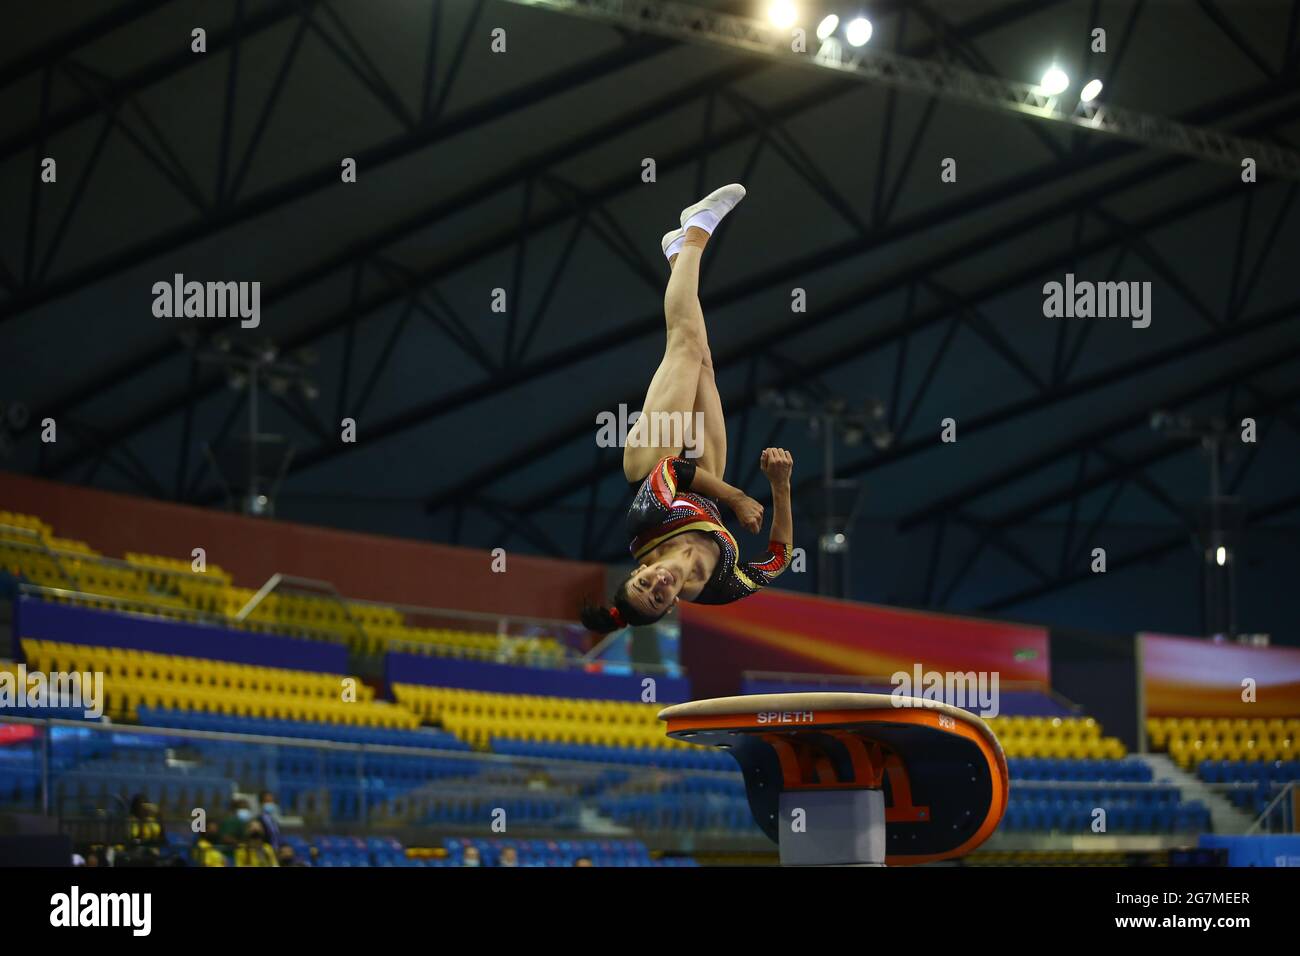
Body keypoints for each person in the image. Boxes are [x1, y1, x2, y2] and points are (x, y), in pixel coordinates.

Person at [581, 184, 795, 633]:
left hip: (654, 465)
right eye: (658, 597)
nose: (659, 582)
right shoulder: (717, 587)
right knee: (704, 362)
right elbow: (776, 562)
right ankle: (678, 252)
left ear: (637, 570)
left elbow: (673, 471)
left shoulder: (647, 520)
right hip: (709, 490)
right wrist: (780, 486)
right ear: (670, 607)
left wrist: (736, 496)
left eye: (644, 582)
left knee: (684, 344)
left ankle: (697, 230)